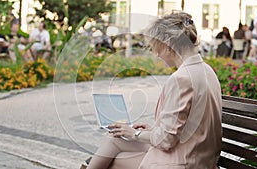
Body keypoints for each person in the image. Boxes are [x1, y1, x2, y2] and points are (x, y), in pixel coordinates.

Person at [86, 12, 222, 169]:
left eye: (156, 46)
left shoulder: (181, 79)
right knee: (114, 140)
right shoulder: (207, 71)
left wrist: (134, 134)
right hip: (197, 156)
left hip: (184, 162)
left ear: (168, 44)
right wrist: (153, 130)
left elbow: (166, 141)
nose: (156, 54)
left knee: (111, 160)